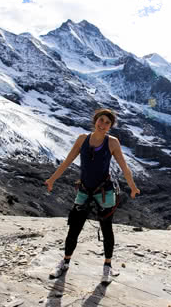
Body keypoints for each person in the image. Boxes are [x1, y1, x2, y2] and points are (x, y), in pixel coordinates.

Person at [44, 108, 141, 284]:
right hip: (84, 189)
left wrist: (133, 187)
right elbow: (67, 161)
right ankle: (65, 262)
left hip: (104, 191)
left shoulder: (112, 142)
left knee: (106, 229)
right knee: (74, 227)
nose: (103, 125)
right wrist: (52, 179)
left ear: (110, 126)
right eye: (101, 120)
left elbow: (124, 167)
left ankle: (107, 267)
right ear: (95, 120)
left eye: (107, 123)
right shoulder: (82, 139)